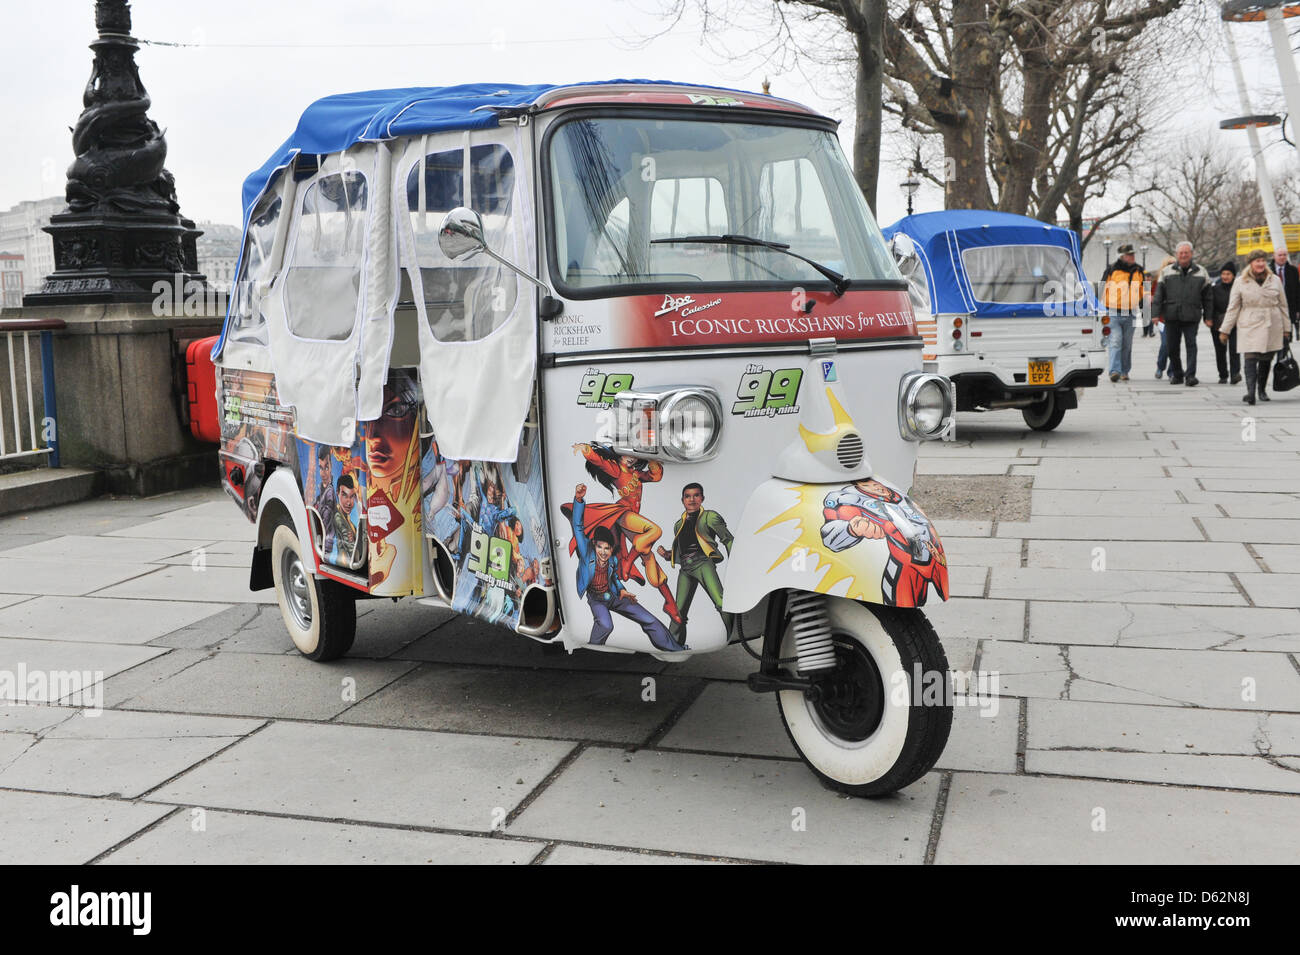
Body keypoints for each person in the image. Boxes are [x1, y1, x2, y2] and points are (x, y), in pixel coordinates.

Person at [566, 483, 685, 652]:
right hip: (597, 599)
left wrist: (622, 590)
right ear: (594, 545)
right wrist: (578, 499)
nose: (603, 552)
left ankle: (674, 648)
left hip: (614, 596)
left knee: (649, 619)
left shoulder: (612, 560)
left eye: (607, 548)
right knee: (606, 625)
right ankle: (592, 650)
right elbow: (578, 526)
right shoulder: (587, 553)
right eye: (600, 547)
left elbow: (614, 577)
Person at [656, 482, 734, 644]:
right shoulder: (679, 524)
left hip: (703, 563)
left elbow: (727, 539)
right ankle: (674, 645)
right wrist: (667, 555)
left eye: (696, 495)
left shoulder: (709, 517)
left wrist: (736, 563)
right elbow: (682, 550)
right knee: (677, 611)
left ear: (702, 498)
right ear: (682, 500)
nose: (692, 499)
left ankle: (731, 636)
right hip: (685, 568)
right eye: (687, 496)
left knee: (721, 602)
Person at [1220, 248, 1291, 405]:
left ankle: (1261, 390)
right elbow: (1233, 307)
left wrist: (1287, 328)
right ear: (1251, 263)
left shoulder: (1275, 280)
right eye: (1257, 261)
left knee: (1266, 359)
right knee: (1250, 358)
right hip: (1249, 323)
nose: (1260, 263)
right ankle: (1250, 391)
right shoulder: (1240, 282)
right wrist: (1225, 330)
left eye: (1262, 261)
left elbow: (1283, 305)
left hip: (1271, 323)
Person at [1152, 241, 1213, 385]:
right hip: (1172, 315)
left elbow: (1208, 297)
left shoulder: (1201, 272)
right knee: (1172, 347)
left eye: (1186, 252)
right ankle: (1178, 374)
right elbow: (1159, 295)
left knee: (1191, 345)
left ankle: (1190, 375)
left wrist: (1208, 316)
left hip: (1192, 315)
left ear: (1191, 254)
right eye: (1181, 253)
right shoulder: (1166, 272)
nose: (1184, 255)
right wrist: (1155, 314)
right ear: (1177, 255)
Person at [1101, 243, 1145, 381]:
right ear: (1122, 256)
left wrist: (1145, 309)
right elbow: (1102, 288)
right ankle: (1114, 371)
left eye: (1133, 254)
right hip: (1113, 312)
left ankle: (1125, 371)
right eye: (1129, 255)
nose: (1132, 256)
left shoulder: (1139, 270)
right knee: (1115, 341)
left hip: (1130, 312)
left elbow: (1142, 290)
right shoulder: (1111, 270)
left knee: (1127, 344)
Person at [1209, 260, 1242, 385]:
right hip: (1218, 323)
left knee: (1235, 349)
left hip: (1235, 323)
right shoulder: (1215, 289)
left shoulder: (1238, 288)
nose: (1225, 276)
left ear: (1233, 275)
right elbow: (1210, 305)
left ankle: (1235, 374)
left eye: (1228, 274)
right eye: (1223, 274)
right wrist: (1209, 318)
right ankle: (1223, 374)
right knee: (1220, 350)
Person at [1151, 255, 1175, 372]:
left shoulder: (1179, 278)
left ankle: (1171, 371)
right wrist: (1153, 315)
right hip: (1162, 318)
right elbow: (1154, 299)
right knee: (1165, 344)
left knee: (1174, 345)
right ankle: (1160, 366)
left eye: (1173, 264)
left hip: (1176, 317)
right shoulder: (1157, 280)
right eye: (1169, 264)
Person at [1271, 248, 1300, 337]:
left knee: (1287, 337)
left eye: (1284, 255)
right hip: (1273, 308)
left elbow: (1297, 291)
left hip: (1289, 308)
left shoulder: (1293, 271)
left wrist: (1298, 310)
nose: (1282, 257)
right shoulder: (1268, 271)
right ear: (1274, 256)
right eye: (1280, 255)